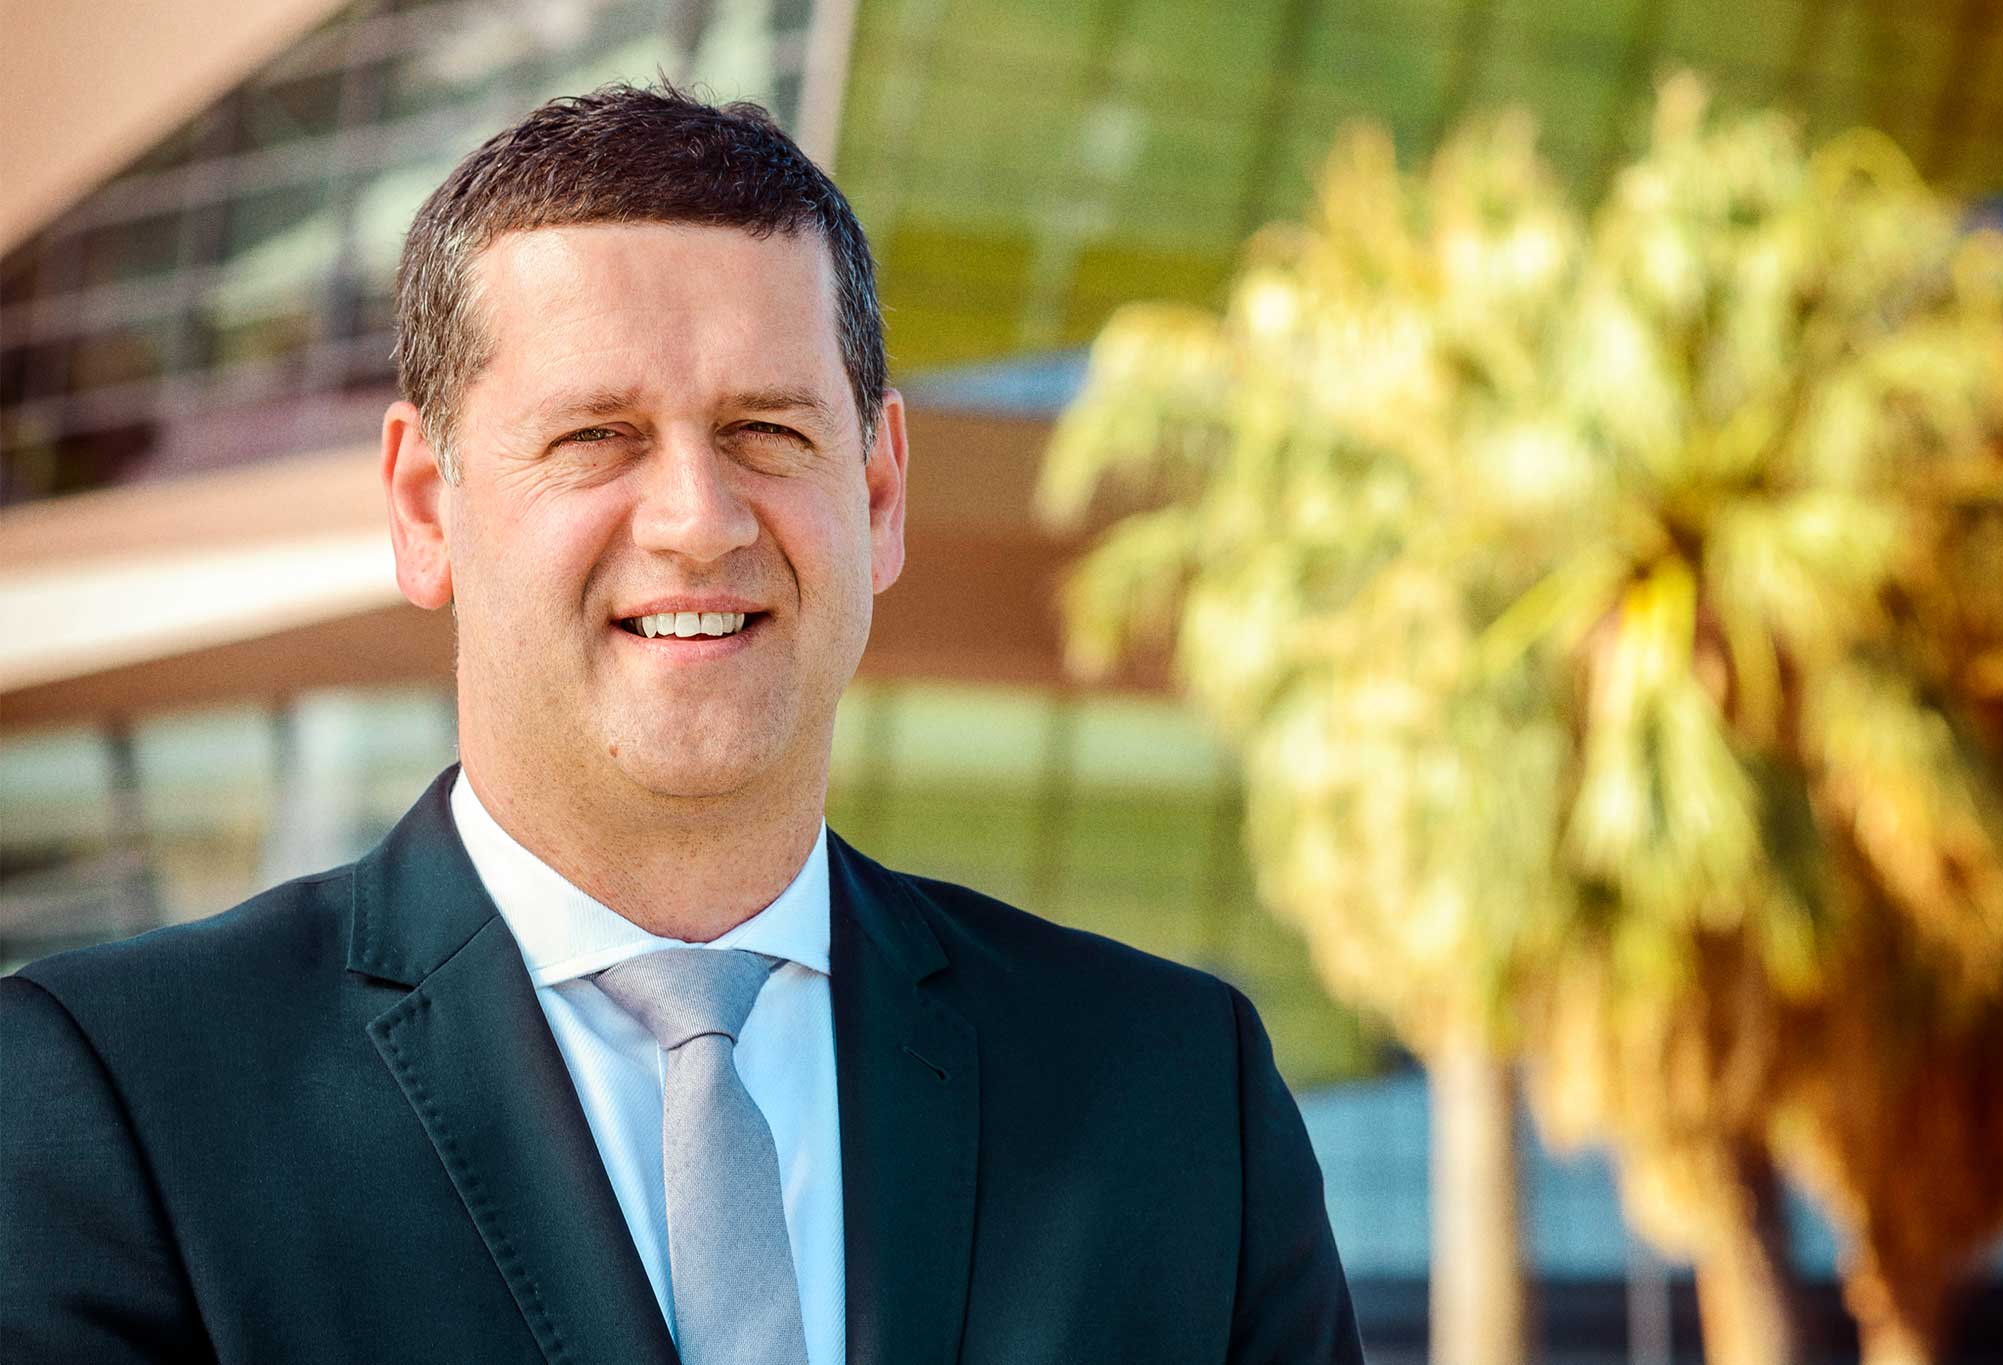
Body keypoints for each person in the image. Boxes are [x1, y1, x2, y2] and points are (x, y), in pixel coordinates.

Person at [1, 82, 1363, 1364]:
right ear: (425, 508)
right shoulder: (120, 1107)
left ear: (879, 492)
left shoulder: (1179, 1102)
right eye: (597, 435)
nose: (698, 519)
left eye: (766, 430)